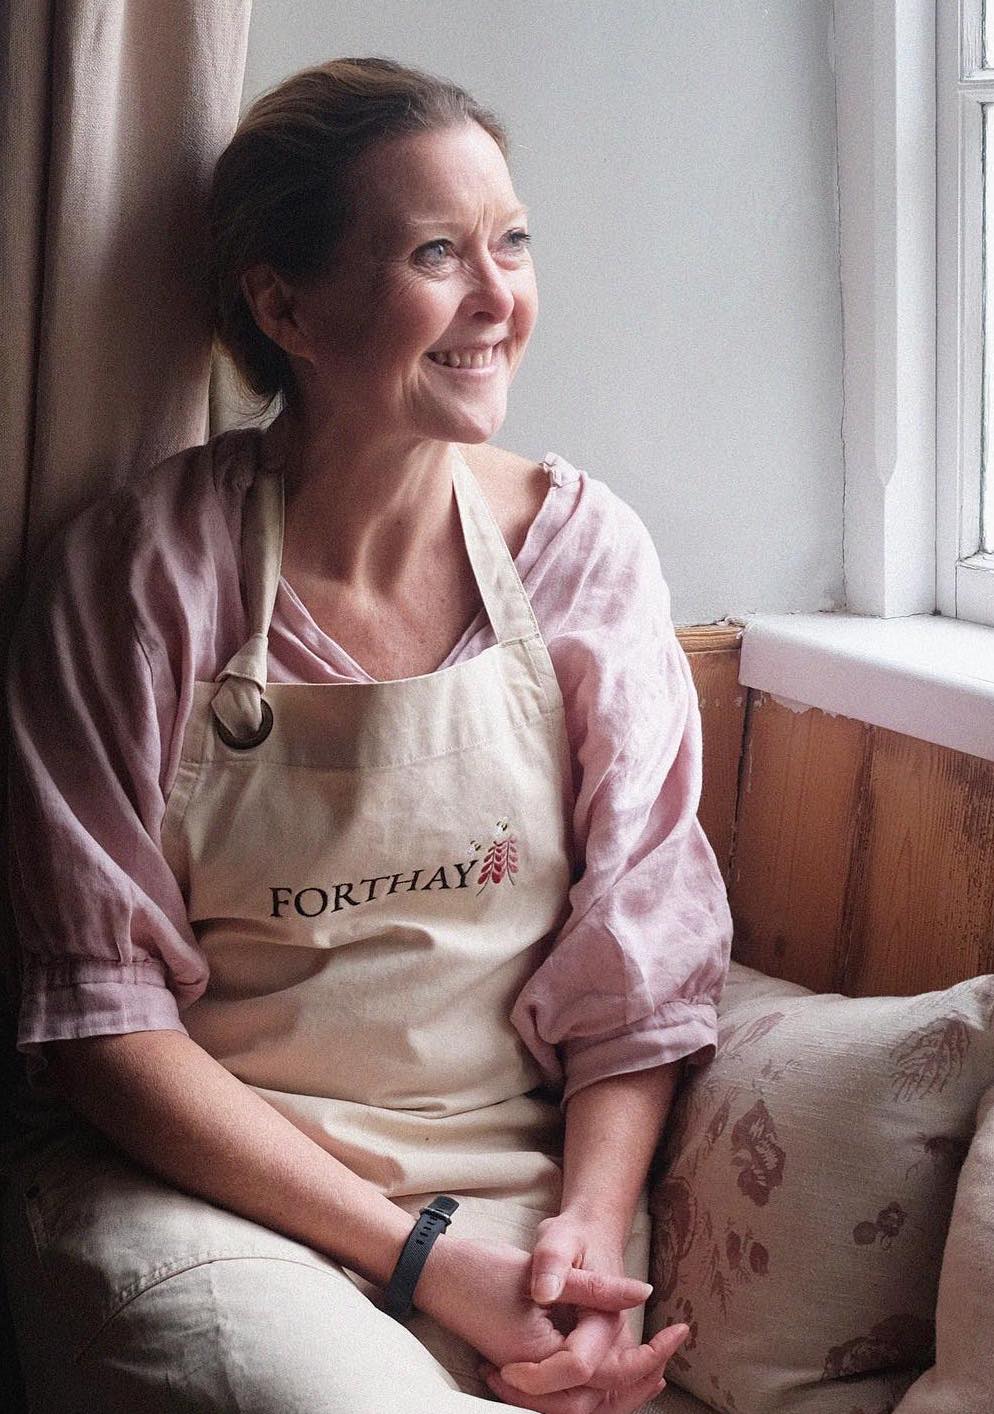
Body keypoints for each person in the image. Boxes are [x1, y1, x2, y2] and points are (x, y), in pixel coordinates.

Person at [1, 56, 733, 1413]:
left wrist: (583, 1230)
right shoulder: (140, 574)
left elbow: (635, 965)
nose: (495, 297)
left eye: (509, 242)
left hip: (515, 1188)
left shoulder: (584, 557)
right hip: (207, 1193)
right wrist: (419, 1259)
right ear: (285, 306)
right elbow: (99, 1021)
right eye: (434, 254)